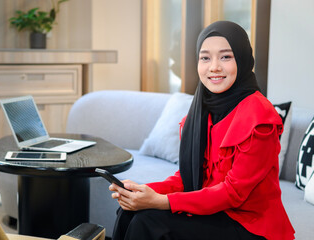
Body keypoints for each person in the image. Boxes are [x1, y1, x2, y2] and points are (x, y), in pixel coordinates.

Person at [109, 21, 295, 240]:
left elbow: (233, 193)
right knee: (129, 212)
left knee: (148, 222)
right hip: (212, 211)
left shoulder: (259, 116)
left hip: (249, 224)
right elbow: (188, 178)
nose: (214, 67)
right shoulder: (201, 110)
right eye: (205, 58)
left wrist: (161, 202)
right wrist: (142, 192)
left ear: (243, 60)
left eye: (225, 57)